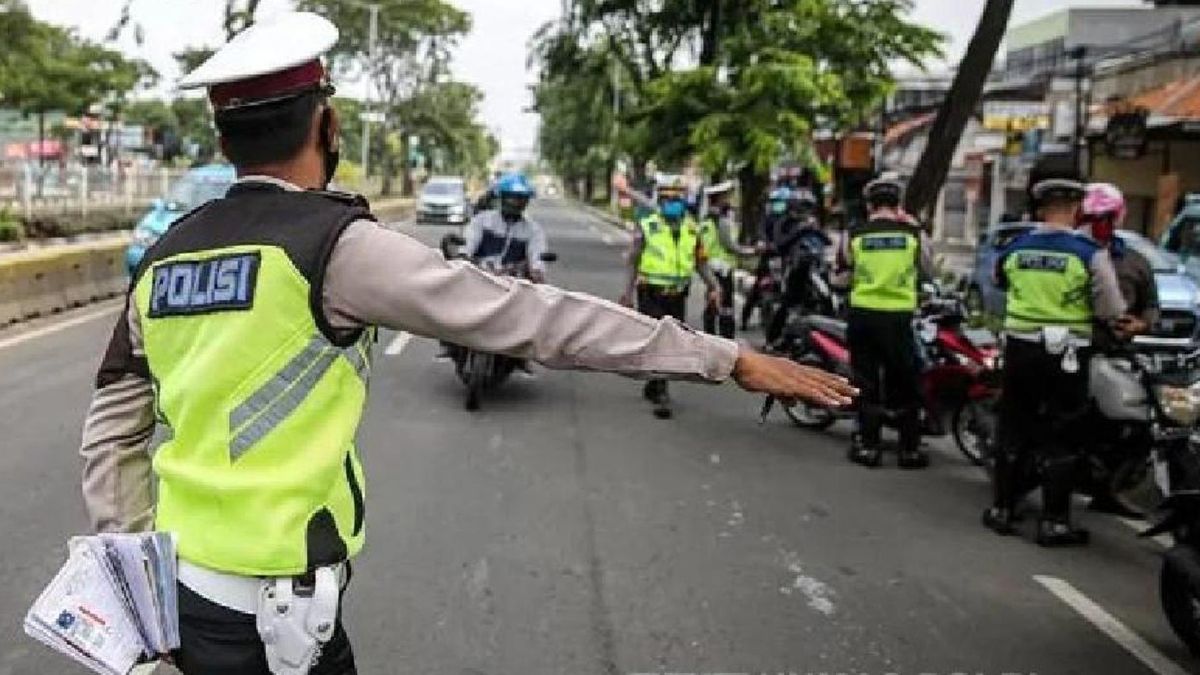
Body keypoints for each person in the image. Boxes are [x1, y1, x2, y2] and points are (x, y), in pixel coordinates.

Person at [78, 14, 855, 675]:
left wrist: (141, 591)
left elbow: (111, 429)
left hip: (178, 599)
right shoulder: (336, 246)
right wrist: (727, 356)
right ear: (327, 123)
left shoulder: (165, 254)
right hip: (278, 623)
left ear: (222, 135)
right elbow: (534, 317)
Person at [983, 179, 1126, 546]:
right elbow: (1111, 308)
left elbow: (998, 284)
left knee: (1013, 428)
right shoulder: (1089, 253)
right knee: (1062, 435)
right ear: (1077, 210)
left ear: (1040, 209)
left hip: (1020, 349)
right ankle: (1054, 522)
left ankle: (1003, 509)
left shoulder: (1015, 248)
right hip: (1066, 355)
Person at [838, 177, 934, 469]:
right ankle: (909, 449)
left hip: (863, 315)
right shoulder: (912, 234)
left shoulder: (855, 233)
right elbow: (928, 270)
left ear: (870, 205)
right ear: (898, 205)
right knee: (904, 381)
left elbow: (844, 266)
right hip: (898, 318)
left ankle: (869, 446)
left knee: (865, 381)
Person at [1080, 183, 1159, 516]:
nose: (1100, 224)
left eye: (1106, 218)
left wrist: (1140, 325)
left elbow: (1151, 307)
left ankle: (1110, 490)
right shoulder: (1074, 253)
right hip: (1076, 349)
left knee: (1131, 421)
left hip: (1117, 354)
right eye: (1093, 217)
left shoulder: (1135, 262)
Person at [619, 175, 723, 419]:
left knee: (673, 341)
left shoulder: (692, 228)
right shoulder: (648, 225)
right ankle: (662, 392)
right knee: (661, 341)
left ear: (684, 200)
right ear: (660, 199)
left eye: (676, 198)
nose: (671, 202)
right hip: (650, 292)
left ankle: (654, 383)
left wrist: (714, 286)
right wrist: (626, 292)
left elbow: (701, 262)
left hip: (678, 294)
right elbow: (633, 260)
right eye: (666, 198)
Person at [765, 188, 833, 347]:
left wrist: (815, 230)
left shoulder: (812, 223)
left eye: (808, 208)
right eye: (802, 207)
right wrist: (800, 230)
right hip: (792, 266)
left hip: (817, 266)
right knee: (787, 302)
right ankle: (772, 339)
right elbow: (780, 244)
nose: (805, 211)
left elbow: (827, 242)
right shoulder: (784, 222)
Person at [699, 181, 758, 339]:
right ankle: (726, 338)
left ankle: (709, 337)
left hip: (710, 267)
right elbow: (730, 246)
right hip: (722, 269)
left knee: (712, 302)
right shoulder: (721, 221)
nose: (729, 201)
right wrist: (752, 252)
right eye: (726, 197)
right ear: (719, 199)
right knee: (725, 307)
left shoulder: (706, 219)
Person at [740, 187, 791, 330]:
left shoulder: (790, 219)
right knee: (756, 289)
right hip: (768, 258)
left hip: (785, 258)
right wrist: (762, 243)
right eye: (775, 202)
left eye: (781, 202)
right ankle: (745, 319)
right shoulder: (768, 218)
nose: (778, 204)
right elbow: (761, 232)